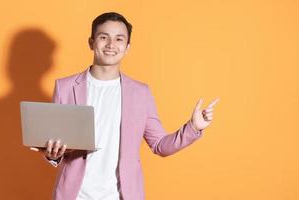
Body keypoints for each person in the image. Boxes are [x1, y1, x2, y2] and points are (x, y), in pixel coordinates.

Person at [30, 12, 219, 200]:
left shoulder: (141, 93)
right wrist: (53, 155)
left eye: (119, 39)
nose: (111, 45)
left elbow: (160, 145)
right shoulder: (65, 87)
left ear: (127, 47)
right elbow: (56, 146)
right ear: (91, 42)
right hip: (75, 196)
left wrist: (193, 128)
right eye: (104, 37)